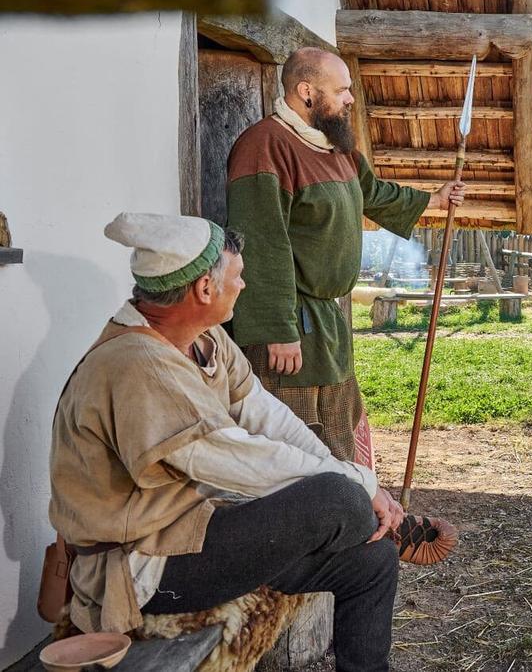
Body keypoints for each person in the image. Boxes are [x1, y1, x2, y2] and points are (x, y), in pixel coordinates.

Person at [50, 213, 402, 672]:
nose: (244, 283)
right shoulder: (136, 364)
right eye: (237, 275)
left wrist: (358, 483)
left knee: (373, 558)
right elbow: (239, 460)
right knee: (338, 499)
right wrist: (357, 485)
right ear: (203, 289)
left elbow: (265, 413)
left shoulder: (204, 337)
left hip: (195, 530)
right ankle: (381, 515)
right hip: (144, 564)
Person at [226, 48, 466, 462]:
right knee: (296, 436)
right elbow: (262, 245)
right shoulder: (264, 147)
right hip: (290, 327)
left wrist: (434, 200)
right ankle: (315, 521)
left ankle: (351, 514)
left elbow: (371, 193)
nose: (350, 98)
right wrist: (278, 330)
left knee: (336, 426)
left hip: (327, 324)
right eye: (341, 90)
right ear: (306, 92)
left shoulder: (337, 147)